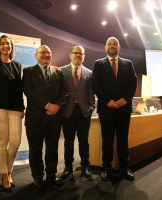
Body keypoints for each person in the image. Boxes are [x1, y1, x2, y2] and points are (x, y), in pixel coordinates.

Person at [22, 45, 69, 188]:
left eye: (48, 53)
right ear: (36, 55)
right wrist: (47, 105)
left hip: (54, 118)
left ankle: (51, 176)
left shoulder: (58, 72)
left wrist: (57, 106)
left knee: (52, 149)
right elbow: (29, 91)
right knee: (35, 150)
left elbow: (65, 91)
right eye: (42, 52)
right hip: (35, 119)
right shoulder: (28, 71)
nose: (46, 55)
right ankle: (37, 177)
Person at [92, 37, 137, 182]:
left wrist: (125, 99)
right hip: (106, 109)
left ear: (119, 47)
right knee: (107, 139)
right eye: (109, 44)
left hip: (123, 109)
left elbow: (133, 82)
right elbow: (96, 84)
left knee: (123, 139)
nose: (112, 46)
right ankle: (106, 167)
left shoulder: (127, 63)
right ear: (105, 47)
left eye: (115, 44)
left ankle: (125, 167)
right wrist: (107, 101)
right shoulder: (98, 64)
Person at [0, 35, 25, 192]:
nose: (5, 46)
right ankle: (4, 174)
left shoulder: (17, 65)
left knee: (15, 142)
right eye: (2, 44)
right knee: (2, 142)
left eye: (8, 43)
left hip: (15, 108)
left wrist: (22, 107)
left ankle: (8, 170)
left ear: (11, 46)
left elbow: (19, 89)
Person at [60, 45, 95, 179]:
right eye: (75, 53)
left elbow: (91, 92)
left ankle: (85, 166)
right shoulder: (62, 71)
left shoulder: (89, 73)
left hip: (83, 112)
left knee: (83, 141)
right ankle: (68, 167)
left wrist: (92, 106)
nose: (78, 55)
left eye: (81, 54)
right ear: (70, 55)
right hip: (67, 111)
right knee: (68, 141)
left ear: (84, 56)